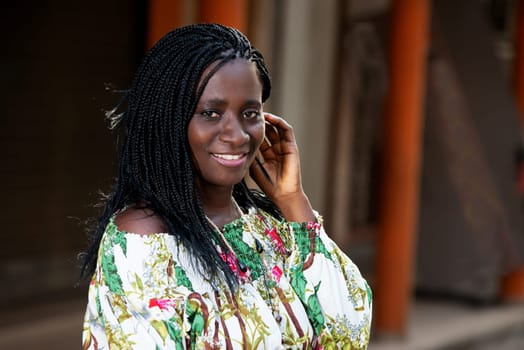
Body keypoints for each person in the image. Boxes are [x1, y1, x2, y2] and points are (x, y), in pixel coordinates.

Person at [81, 23, 372, 349]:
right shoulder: (147, 239)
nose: (237, 134)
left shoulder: (265, 224)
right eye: (211, 113)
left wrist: (293, 201)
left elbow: (349, 333)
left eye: (250, 112)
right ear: (169, 119)